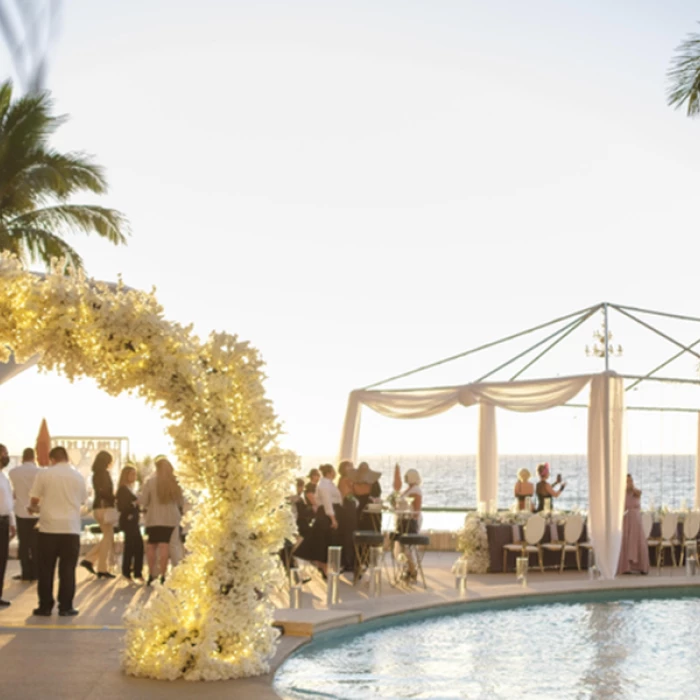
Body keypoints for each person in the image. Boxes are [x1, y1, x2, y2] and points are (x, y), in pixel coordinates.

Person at [29, 445, 87, 617]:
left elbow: (34, 500)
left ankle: (45, 606)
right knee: (68, 569)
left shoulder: (45, 474)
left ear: (52, 459)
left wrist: (34, 508)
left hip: (48, 528)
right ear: (66, 458)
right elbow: (83, 501)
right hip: (71, 529)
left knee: (46, 569)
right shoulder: (78, 477)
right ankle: (66, 606)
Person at [139, 456, 184, 585]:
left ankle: (151, 574)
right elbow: (181, 501)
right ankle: (163, 575)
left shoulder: (150, 481)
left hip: (154, 518)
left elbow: (144, 501)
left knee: (151, 546)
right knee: (165, 546)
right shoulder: (175, 482)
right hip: (171, 519)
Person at [294, 464, 342, 576]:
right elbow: (327, 503)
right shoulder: (324, 485)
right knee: (324, 542)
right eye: (333, 471)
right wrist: (333, 519)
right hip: (325, 515)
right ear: (329, 472)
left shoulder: (328, 484)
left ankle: (322, 566)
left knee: (324, 542)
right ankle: (324, 568)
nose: (335, 473)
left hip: (327, 514)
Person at [80, 450, 116, 579]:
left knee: (107, 537)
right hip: (105, 507)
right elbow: (106, 491)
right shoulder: (104, 474)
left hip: (97, 507)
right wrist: (114, 498)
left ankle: (92, 561)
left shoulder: (95, 474)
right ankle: (98, 566)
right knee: (108, 537)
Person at [9, 447, 41, 582]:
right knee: (36, 544)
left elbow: (15, 492)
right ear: (34, 457)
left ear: (23, 457)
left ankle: (25, 572)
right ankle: (35, 572)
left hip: (21, 512)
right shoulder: (40, 472)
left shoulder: (13, 472)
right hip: (37, 512)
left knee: (23, 544)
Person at [617, 473, 650, 575]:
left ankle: (642, 567)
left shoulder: (636, 492)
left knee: (639, 542)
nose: (629, 483)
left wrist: (631, 488)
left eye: (630, 480)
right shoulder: (621, 494)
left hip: (636, 519)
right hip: (626, 519)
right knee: (626, 541)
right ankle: (626, 567)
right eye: (627, 481)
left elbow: (639, 493)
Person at [116, 463, 144, 581]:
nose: (134, 476)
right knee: (135, 546)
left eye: (135, 474)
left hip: (133, 521)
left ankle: (131, 571)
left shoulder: (130, 488)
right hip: (128, 521)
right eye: (132, 474)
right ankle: (132, 572)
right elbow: (122, 506)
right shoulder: (123, 489)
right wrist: (134, 504)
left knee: (133, 546)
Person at [396, 468, 423, 581]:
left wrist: (411, 520)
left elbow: (416, 509)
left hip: (410, 522)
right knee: (403, 547)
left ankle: (412, 570)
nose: (405, 478)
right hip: (403, 520)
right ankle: (408, 569)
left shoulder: (416, 490)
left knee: (408, 547)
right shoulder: (408, 489)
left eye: (407, 476)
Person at [0, 443, 17, 607]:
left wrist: (12, 523)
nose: (6, 456)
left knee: (2, 560)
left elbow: (8, 503)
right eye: (3, 453)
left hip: (4, 521)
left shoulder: (4, 476)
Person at [336, 461, 357, 572]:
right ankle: (348, 562)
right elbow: (346, 495)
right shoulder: (345, 479)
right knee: (348, 535)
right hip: (347, 508)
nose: (352, 468)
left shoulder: (345, 479)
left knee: (348, 535)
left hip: (347, 508)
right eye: (349, 466)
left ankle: (348, 561)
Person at [353, 461, 382, 531]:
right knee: (360, 524)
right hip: (358, 504)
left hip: (371, 503)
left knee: (373, 524)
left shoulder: (374, 482)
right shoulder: (354, 481)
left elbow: (377, 492)